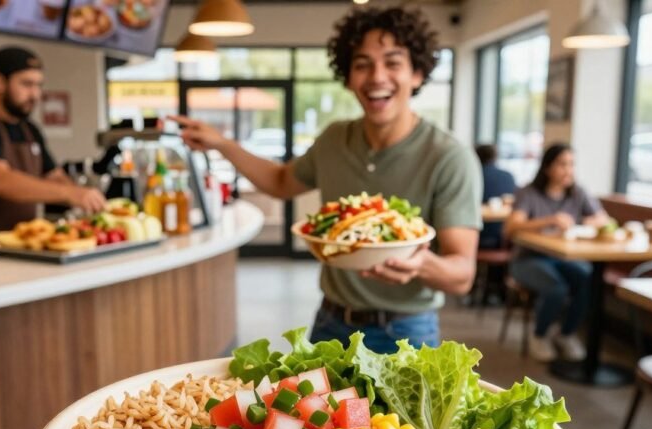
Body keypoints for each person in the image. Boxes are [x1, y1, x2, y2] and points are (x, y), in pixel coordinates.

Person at [170, 6, 482, 353]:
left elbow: (462, 274)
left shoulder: (449, 157)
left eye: (393, 63)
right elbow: (280, 182)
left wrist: (421, 262)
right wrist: (223, 144)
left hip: (407, 329)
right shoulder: (334, 139)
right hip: (331, 320)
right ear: (348, 78)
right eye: (362, 64)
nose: (377, 76)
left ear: (417, 74)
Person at [0, 46, 105, 252]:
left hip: (22, 245)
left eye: (39, 85)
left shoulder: (29, 129)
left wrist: (81, 196)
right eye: (27, 84)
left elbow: (53, 175)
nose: (35, 94)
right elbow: (0, 181)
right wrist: (68, 193)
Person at [504, 144, 610, 362]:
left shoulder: (578, 192)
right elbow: (511, 227)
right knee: (557, 287)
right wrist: (551, 220)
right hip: (527, 259)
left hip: (563, 257)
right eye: (562, 164)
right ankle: (539, 335)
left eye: (571, 164)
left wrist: (582, 221)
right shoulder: (529, 193)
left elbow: (603, 219)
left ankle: (566, 334)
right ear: (547, 167)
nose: (568, 170)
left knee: (588, 278)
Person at [475, 144, 516, 250]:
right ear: (495, 157)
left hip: (477, 235)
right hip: (504, 237)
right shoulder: (508, 176)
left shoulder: (474, 175)